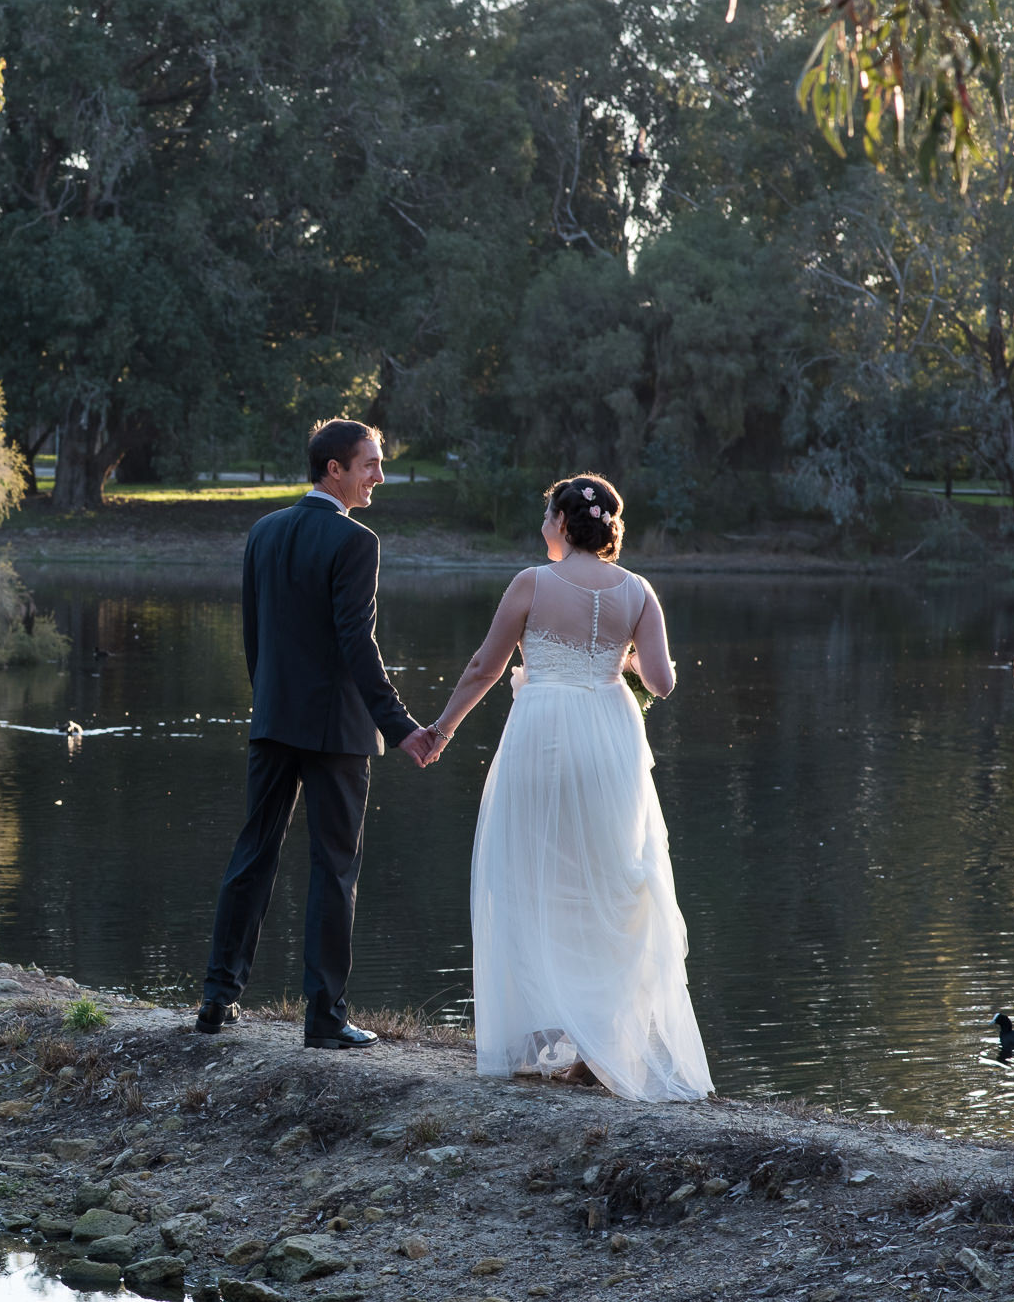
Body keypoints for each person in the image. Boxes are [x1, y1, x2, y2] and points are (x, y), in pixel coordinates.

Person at [414, 474, 712, 1100]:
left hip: (544, 734)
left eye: (546, 515)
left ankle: (557, 1032)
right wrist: (623, 657)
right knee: (610, 880)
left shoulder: (533, 583)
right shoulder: (638, 591)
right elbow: (661, 683)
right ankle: (602, 1042)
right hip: (610, 737)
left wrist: (441, 730)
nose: (542, 525)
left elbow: (483, 668)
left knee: (534, 876)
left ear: (563, 522)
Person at [196, 419, 429, 1050]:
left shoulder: (264, 531)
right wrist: (401, 726)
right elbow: (357, 641)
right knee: (334, 869)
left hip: (273, 720)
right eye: (370, 464)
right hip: (335, 731)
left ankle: (217, 1000)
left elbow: (255, 636)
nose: (379, 475)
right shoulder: (357, 541)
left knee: (253, 854)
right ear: (335, 469)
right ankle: (324, 1019)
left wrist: (269, 702)